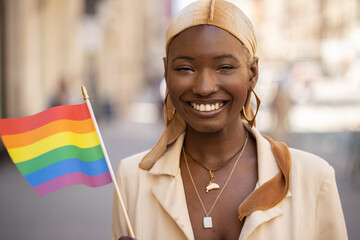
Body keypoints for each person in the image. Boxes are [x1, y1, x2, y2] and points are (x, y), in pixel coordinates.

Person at [111, 0, 348, 239]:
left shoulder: (313, 179)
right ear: (166, 72)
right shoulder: (132, 179)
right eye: (184, 68)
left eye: (224, 67)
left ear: (253, 73)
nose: (204, 87)